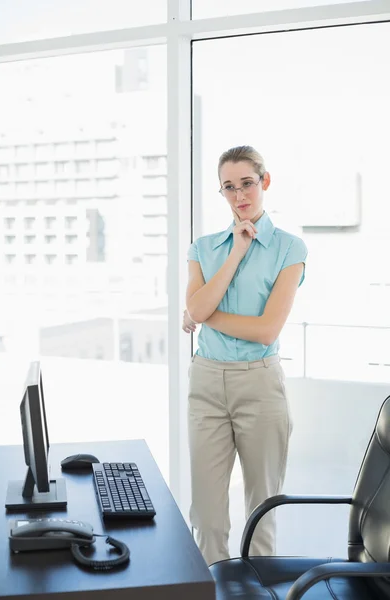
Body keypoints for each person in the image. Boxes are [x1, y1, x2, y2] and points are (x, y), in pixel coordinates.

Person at [182, 145, 307, 567]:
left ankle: (258, 594)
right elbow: (197, 310)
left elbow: (266, 329)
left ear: (265, 181)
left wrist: (203, 313)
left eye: (247, 183)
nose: (240, 196)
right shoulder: (203, 247)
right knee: (208, 517)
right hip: (206, 385)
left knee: (262, 512)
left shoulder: (290, 249)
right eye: (229, 187)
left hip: (260, 384)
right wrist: (236, 251)